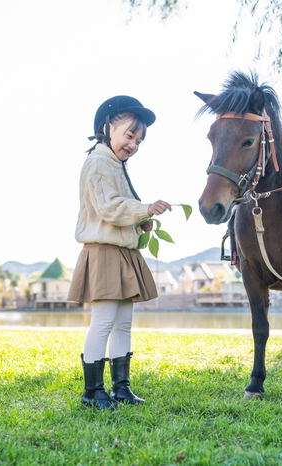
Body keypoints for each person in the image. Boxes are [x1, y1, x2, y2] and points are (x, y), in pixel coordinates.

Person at [67, 95, 171, 410]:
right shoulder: (97, 162)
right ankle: (92, 391)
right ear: (108, 127)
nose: (134, 144)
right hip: (105, 253)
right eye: (129, 135)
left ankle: (120, 388)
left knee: (124, 321)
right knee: (103, 320)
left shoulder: (115, 164)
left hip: (123, 252)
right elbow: (109, 207)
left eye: (139, 140)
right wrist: (143, 208)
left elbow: (118, 212)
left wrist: (142, 222)